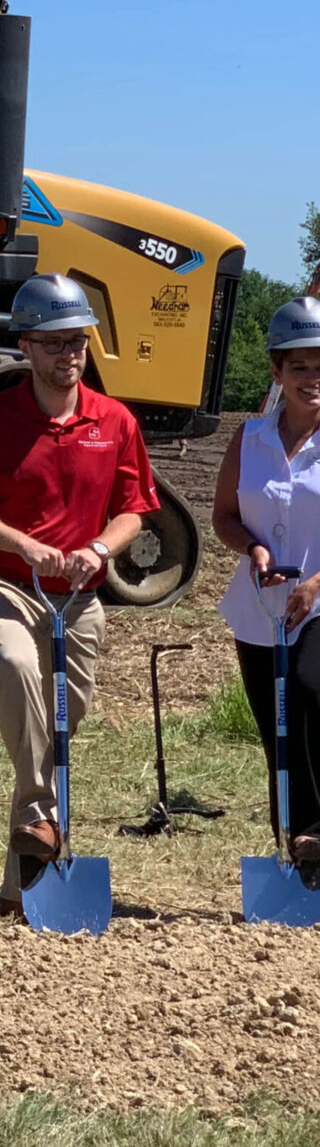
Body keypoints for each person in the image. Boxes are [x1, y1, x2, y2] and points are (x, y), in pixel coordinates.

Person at [0, 272, 160, 912]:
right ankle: (42, 813)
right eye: (55, 344)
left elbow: (135, 510)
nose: (70, 356)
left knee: (56, 729)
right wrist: (23, 545)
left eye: (78, 343)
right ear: (26, 349)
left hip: (80, 596)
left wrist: (98, 549)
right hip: (0, 582)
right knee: (14, 666)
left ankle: (23, 887)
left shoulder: (113, 421)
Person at [212, 297, 320, 863]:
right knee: (276, 725)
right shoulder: (249, 438)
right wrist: (252, 547)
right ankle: (298, 840)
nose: (312, 378)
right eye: (299, 366)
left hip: (318, 604)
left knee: (309, 689)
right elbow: (223, 516)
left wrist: (316, 583)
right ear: (276, 371)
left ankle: (316, 828)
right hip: (259, 606)